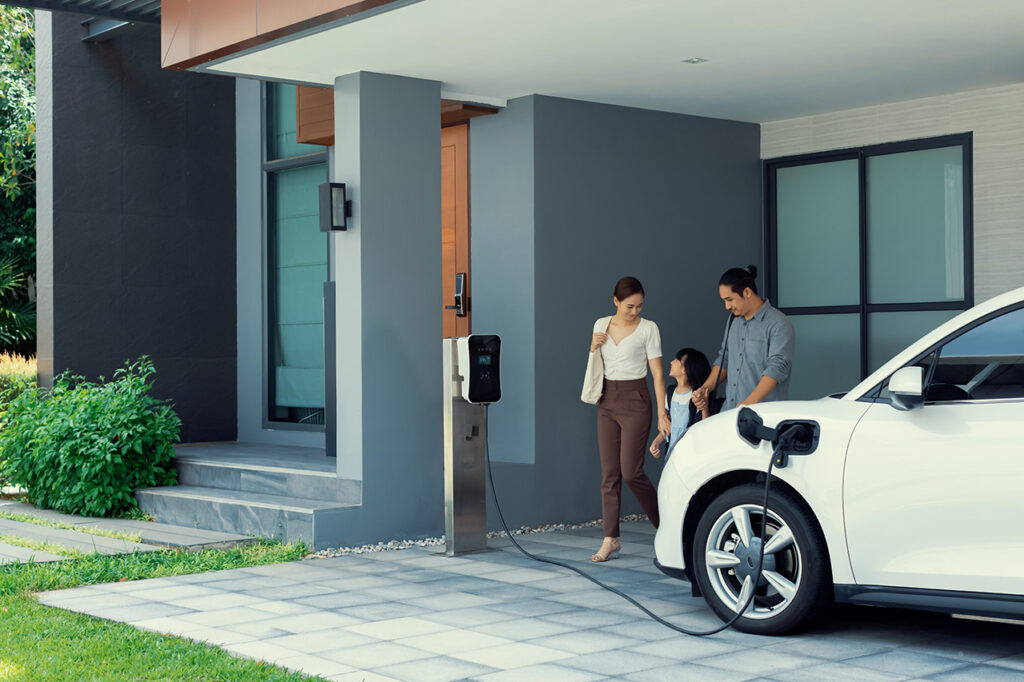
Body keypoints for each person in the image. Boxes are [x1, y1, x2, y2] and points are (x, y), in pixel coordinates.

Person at [589, 276, 669, 563]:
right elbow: (596, 364)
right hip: (607, 401)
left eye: (639, 306)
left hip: (636, 400)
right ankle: (610, 539)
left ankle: (667, 525)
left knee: (631, 472)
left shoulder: (648, 328)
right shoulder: (601, 325)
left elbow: (657, 374)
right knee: (609, 473)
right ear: (616, 301)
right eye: (629, 306)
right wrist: (592, 346)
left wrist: (662, 413)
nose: (635, 311)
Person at [694, 266, 795, 413]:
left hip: (762, 416)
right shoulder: (733, 320)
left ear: (747, 292)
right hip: (729, 412)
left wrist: (747, 404)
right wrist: (706, 389)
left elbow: (777, 368)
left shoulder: (779, 323)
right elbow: (725, 358)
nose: (727, 306)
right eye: (724, 301)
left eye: (729, 300)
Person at [648, 348, 711, 459]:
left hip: (690, 453)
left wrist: (704, 407)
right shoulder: (670, 393)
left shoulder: (695, 396)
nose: (671, 362)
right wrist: (656, 442)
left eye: (677, 360)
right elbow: (670, 426)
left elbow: (705, 426)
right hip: (672, 452)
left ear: (685, 370)